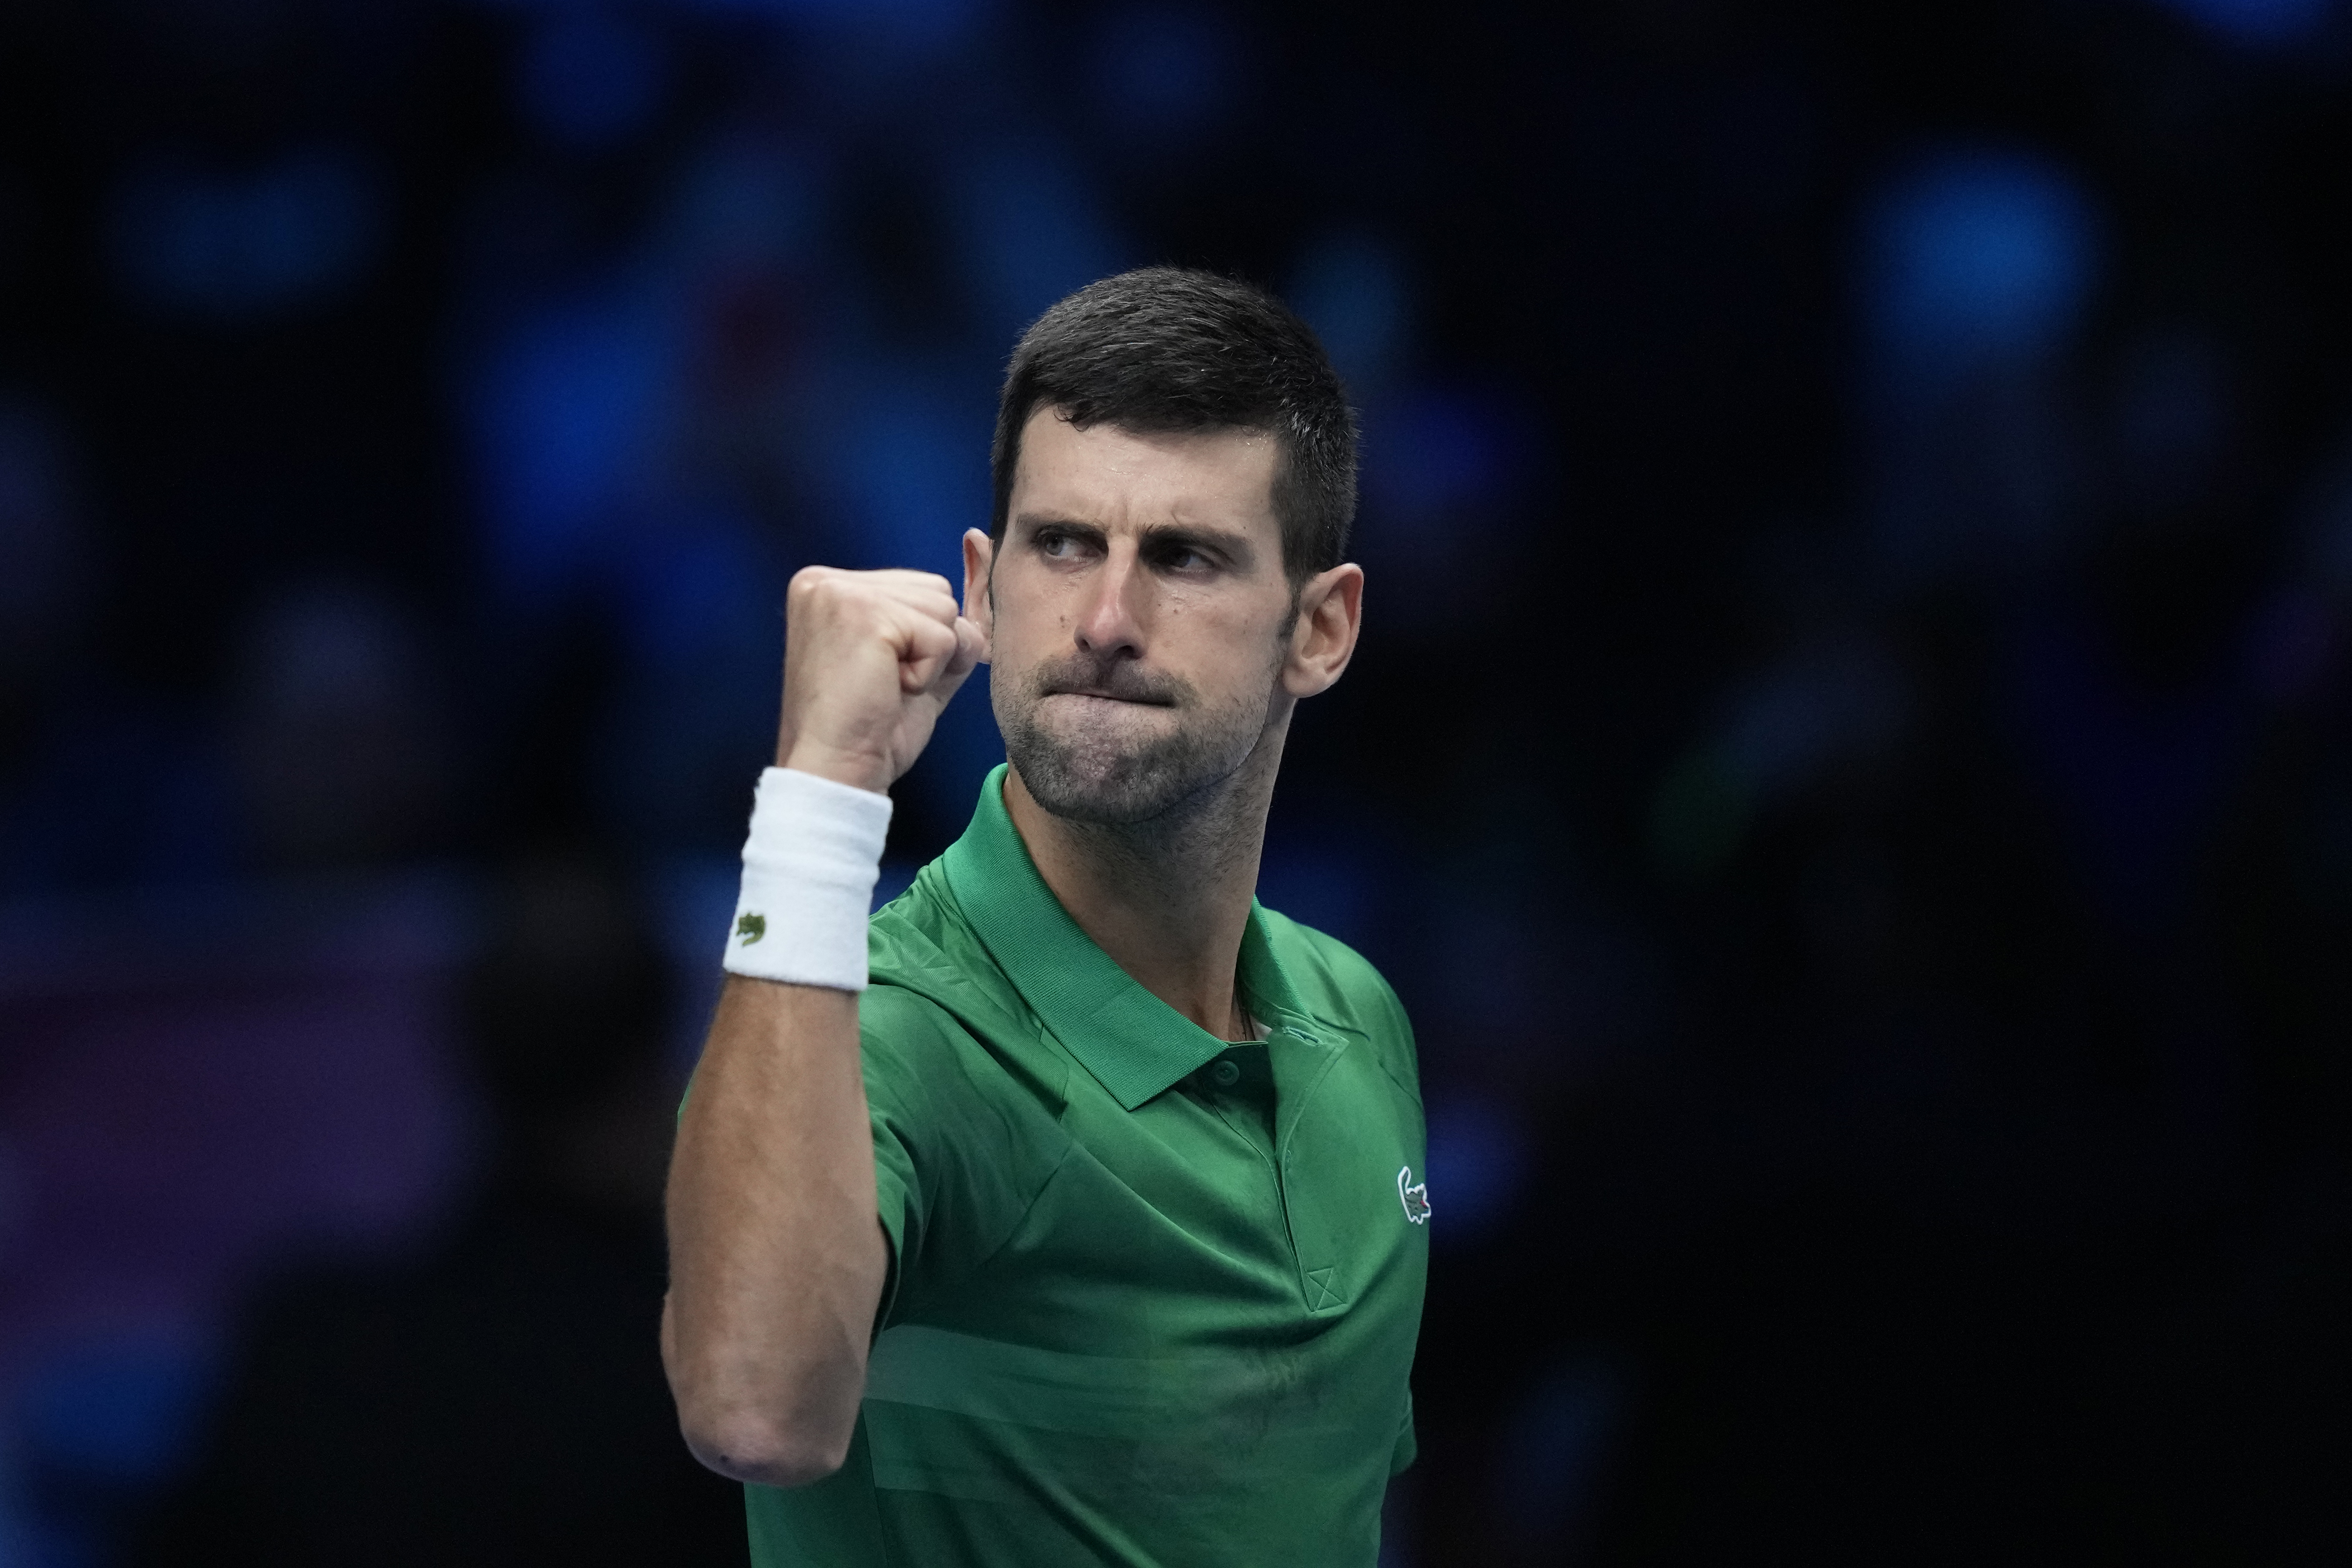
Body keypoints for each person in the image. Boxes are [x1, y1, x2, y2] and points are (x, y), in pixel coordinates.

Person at [663, 267, 1428, 1566]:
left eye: (1182, 557)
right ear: (985, 580)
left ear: (1322, 628)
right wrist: (818, 799)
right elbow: (753, 1412)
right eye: (1062, 543)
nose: (1107, 621)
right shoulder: (892, 1036)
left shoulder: (1359, 1021)